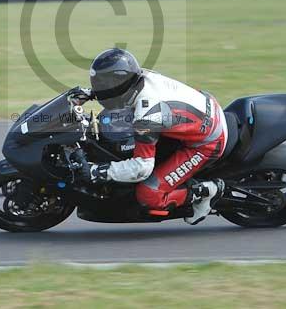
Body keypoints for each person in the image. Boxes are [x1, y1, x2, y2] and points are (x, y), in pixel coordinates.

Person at [79, 48, 229, 225]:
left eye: (103, 84)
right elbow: (117, 88)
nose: (100, 87)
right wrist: (91, 93)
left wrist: (99, 171)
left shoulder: (147, 116)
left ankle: (206, 191)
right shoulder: (140, 77)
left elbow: (142, 168)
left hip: (207, 142)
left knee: (149, 194)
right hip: (202, 109)